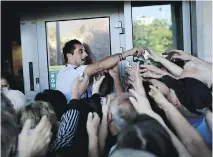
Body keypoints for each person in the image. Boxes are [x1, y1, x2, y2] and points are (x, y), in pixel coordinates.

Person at [56, 39, 144, 103]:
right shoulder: (68, 72)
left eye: (85, 51)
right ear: (69, 55)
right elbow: (99, 66)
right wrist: (129, 53)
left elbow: (117, 100)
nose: (85, 55)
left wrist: (114, 75)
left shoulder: (82, 77)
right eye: (81, 51)